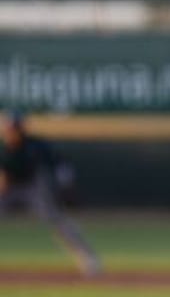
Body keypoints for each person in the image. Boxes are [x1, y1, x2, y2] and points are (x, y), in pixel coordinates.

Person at [1, 110, 102, 277]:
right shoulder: (4, 149)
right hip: (10, 189)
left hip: (34, 189)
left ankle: (88, 258)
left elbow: (61, 166)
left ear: (21, 129)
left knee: (56, 218)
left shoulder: (37, 146)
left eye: (14, 128)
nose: (10, 132)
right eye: (8, 129)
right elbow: (3, 180)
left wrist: (65, 186)